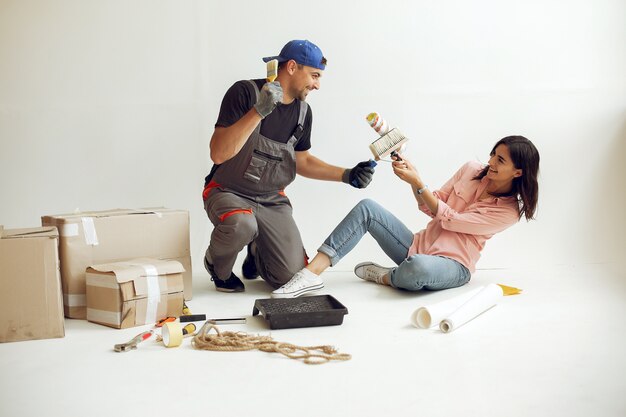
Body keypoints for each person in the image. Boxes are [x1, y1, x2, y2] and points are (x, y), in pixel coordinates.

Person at [203, 39, 376, 292]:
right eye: (315, 75)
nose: (317, 85)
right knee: (242, 224)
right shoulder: (245, 93)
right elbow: (218, 154)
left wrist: (347, 175)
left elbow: (302, 160)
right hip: (228, 192)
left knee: (290, 278)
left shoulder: (303, 113)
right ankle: (216, 266)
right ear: (292, 67)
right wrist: (258, 112)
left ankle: (257, 250)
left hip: (271, 199)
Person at [272, 135, 540, 298]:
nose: (491, 161)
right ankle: (311, 274)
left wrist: (418, 181)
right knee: (367, 207)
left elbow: (449, 219)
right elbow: (429, 207)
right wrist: (412, 179)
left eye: (501, 160)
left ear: (518, 172)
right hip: (416, 246)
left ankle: (386, 276)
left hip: (453, 266)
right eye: (493, 154)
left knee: (418, 269)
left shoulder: (509, 212)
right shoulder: (471, 169)